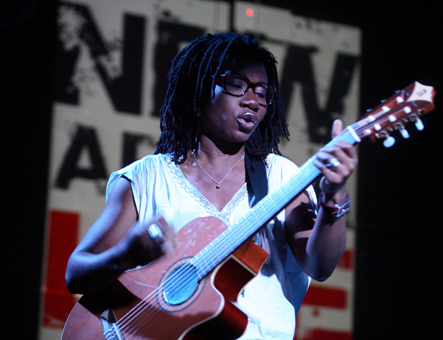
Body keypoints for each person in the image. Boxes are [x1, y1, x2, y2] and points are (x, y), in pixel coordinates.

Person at [65, 33, 357, 339]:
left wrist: (334, 195)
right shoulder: (145, 179)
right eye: (236, 84)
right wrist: (125, 254)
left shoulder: (281, 178)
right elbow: (77, 274)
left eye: (262, 91)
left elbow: (320, 266)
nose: (253, 101)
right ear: (200, 86)